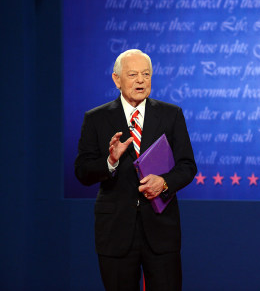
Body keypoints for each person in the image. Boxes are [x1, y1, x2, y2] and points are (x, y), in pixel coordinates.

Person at [75, 49, 197, 291]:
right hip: (116, 232)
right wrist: (110, 161)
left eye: (146, 74)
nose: (141, 80)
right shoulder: (96, 119)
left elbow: (187, 166)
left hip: (161, 231)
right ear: (116, 79)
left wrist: (163, 183)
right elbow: (82, 171)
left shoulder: (171, 115)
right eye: (133, 74)